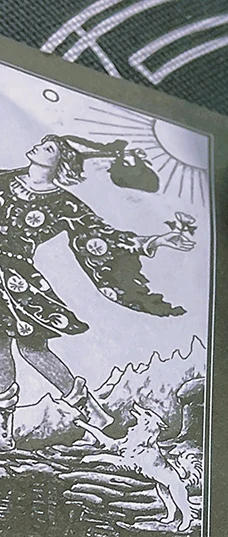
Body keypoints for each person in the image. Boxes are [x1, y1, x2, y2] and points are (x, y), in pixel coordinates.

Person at [0, 134, 195, 450]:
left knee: (33, 349)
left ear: (61, 162)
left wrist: (155, 241)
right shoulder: (6, 179)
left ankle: (91, 410)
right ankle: (3, 430)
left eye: (49, 147)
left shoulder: (63, 203)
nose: (39, 146)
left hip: (18, 278)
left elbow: (101, 236)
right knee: (0, 347)